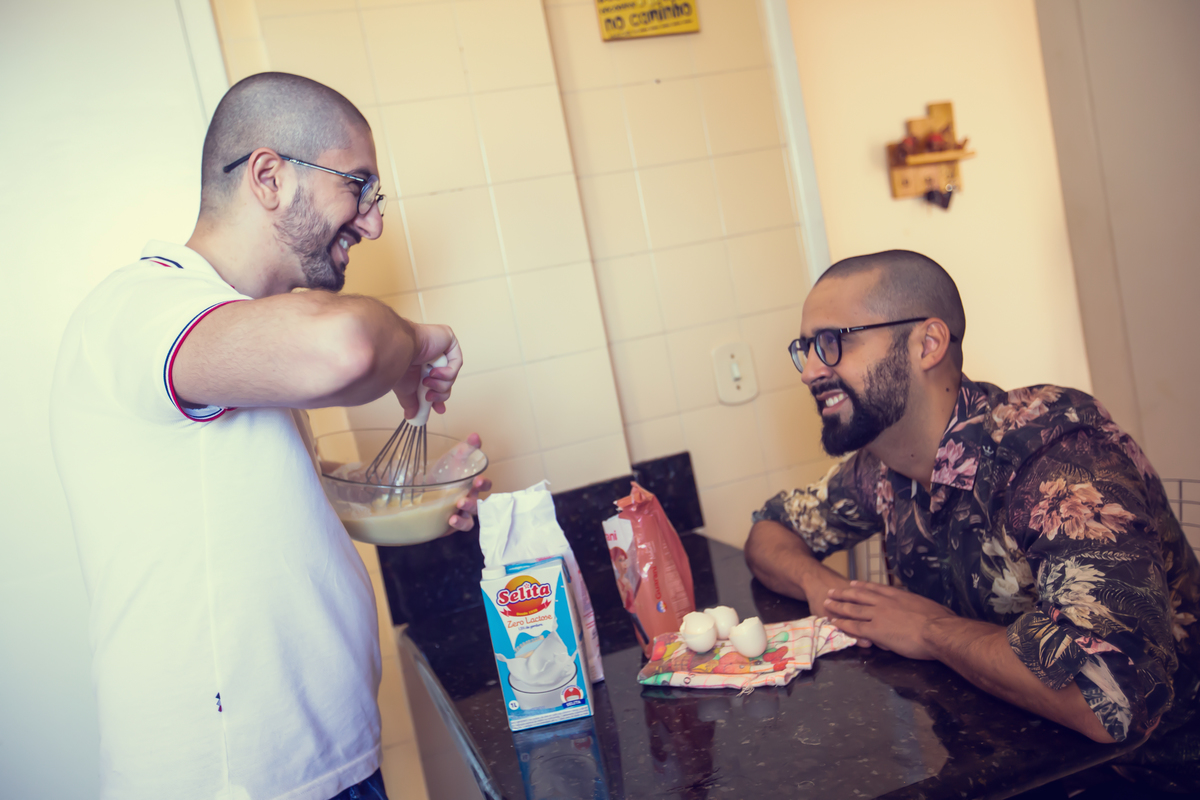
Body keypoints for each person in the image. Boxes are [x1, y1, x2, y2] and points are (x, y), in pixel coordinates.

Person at [49, 72, 490, 800]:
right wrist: (418, 340)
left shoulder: (241, 331)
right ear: (269, 176)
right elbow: (346, 348)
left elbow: (262, 502)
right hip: (239, 781)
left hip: (321, 762)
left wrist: (409, 491)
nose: (373, 222)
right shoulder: (142, 309)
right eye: (360, 186)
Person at [744, 250, 1200, 794]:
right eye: (806, 350)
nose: (812, 371)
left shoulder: (1054, 453)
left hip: (1150, 776)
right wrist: (824, 589)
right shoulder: (880, 466)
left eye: (833, 343)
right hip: (1007, 765)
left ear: (927, 345)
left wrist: (929, 630)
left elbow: (1107, 698)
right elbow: (771, 529)